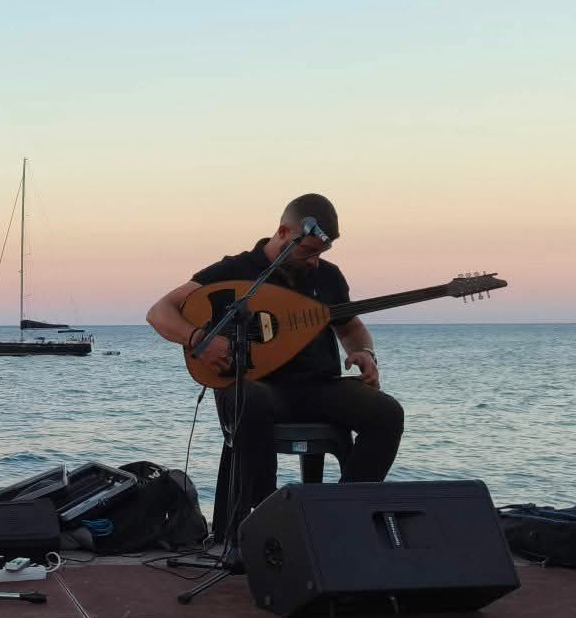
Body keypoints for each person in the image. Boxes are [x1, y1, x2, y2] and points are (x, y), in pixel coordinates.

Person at [145, 192, 403, 544]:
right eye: (308, 251)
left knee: (387, 413)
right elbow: (159, 311)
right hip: (255, 386)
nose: (314, 261)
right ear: (283, 232)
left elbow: (351, 328)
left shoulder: (328, 277)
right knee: (252, 400)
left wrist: (365, 353)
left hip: (319, 387)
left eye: (321, 253)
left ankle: (343, 517)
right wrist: (199, 339)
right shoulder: (235, 271)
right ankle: (266, 522)